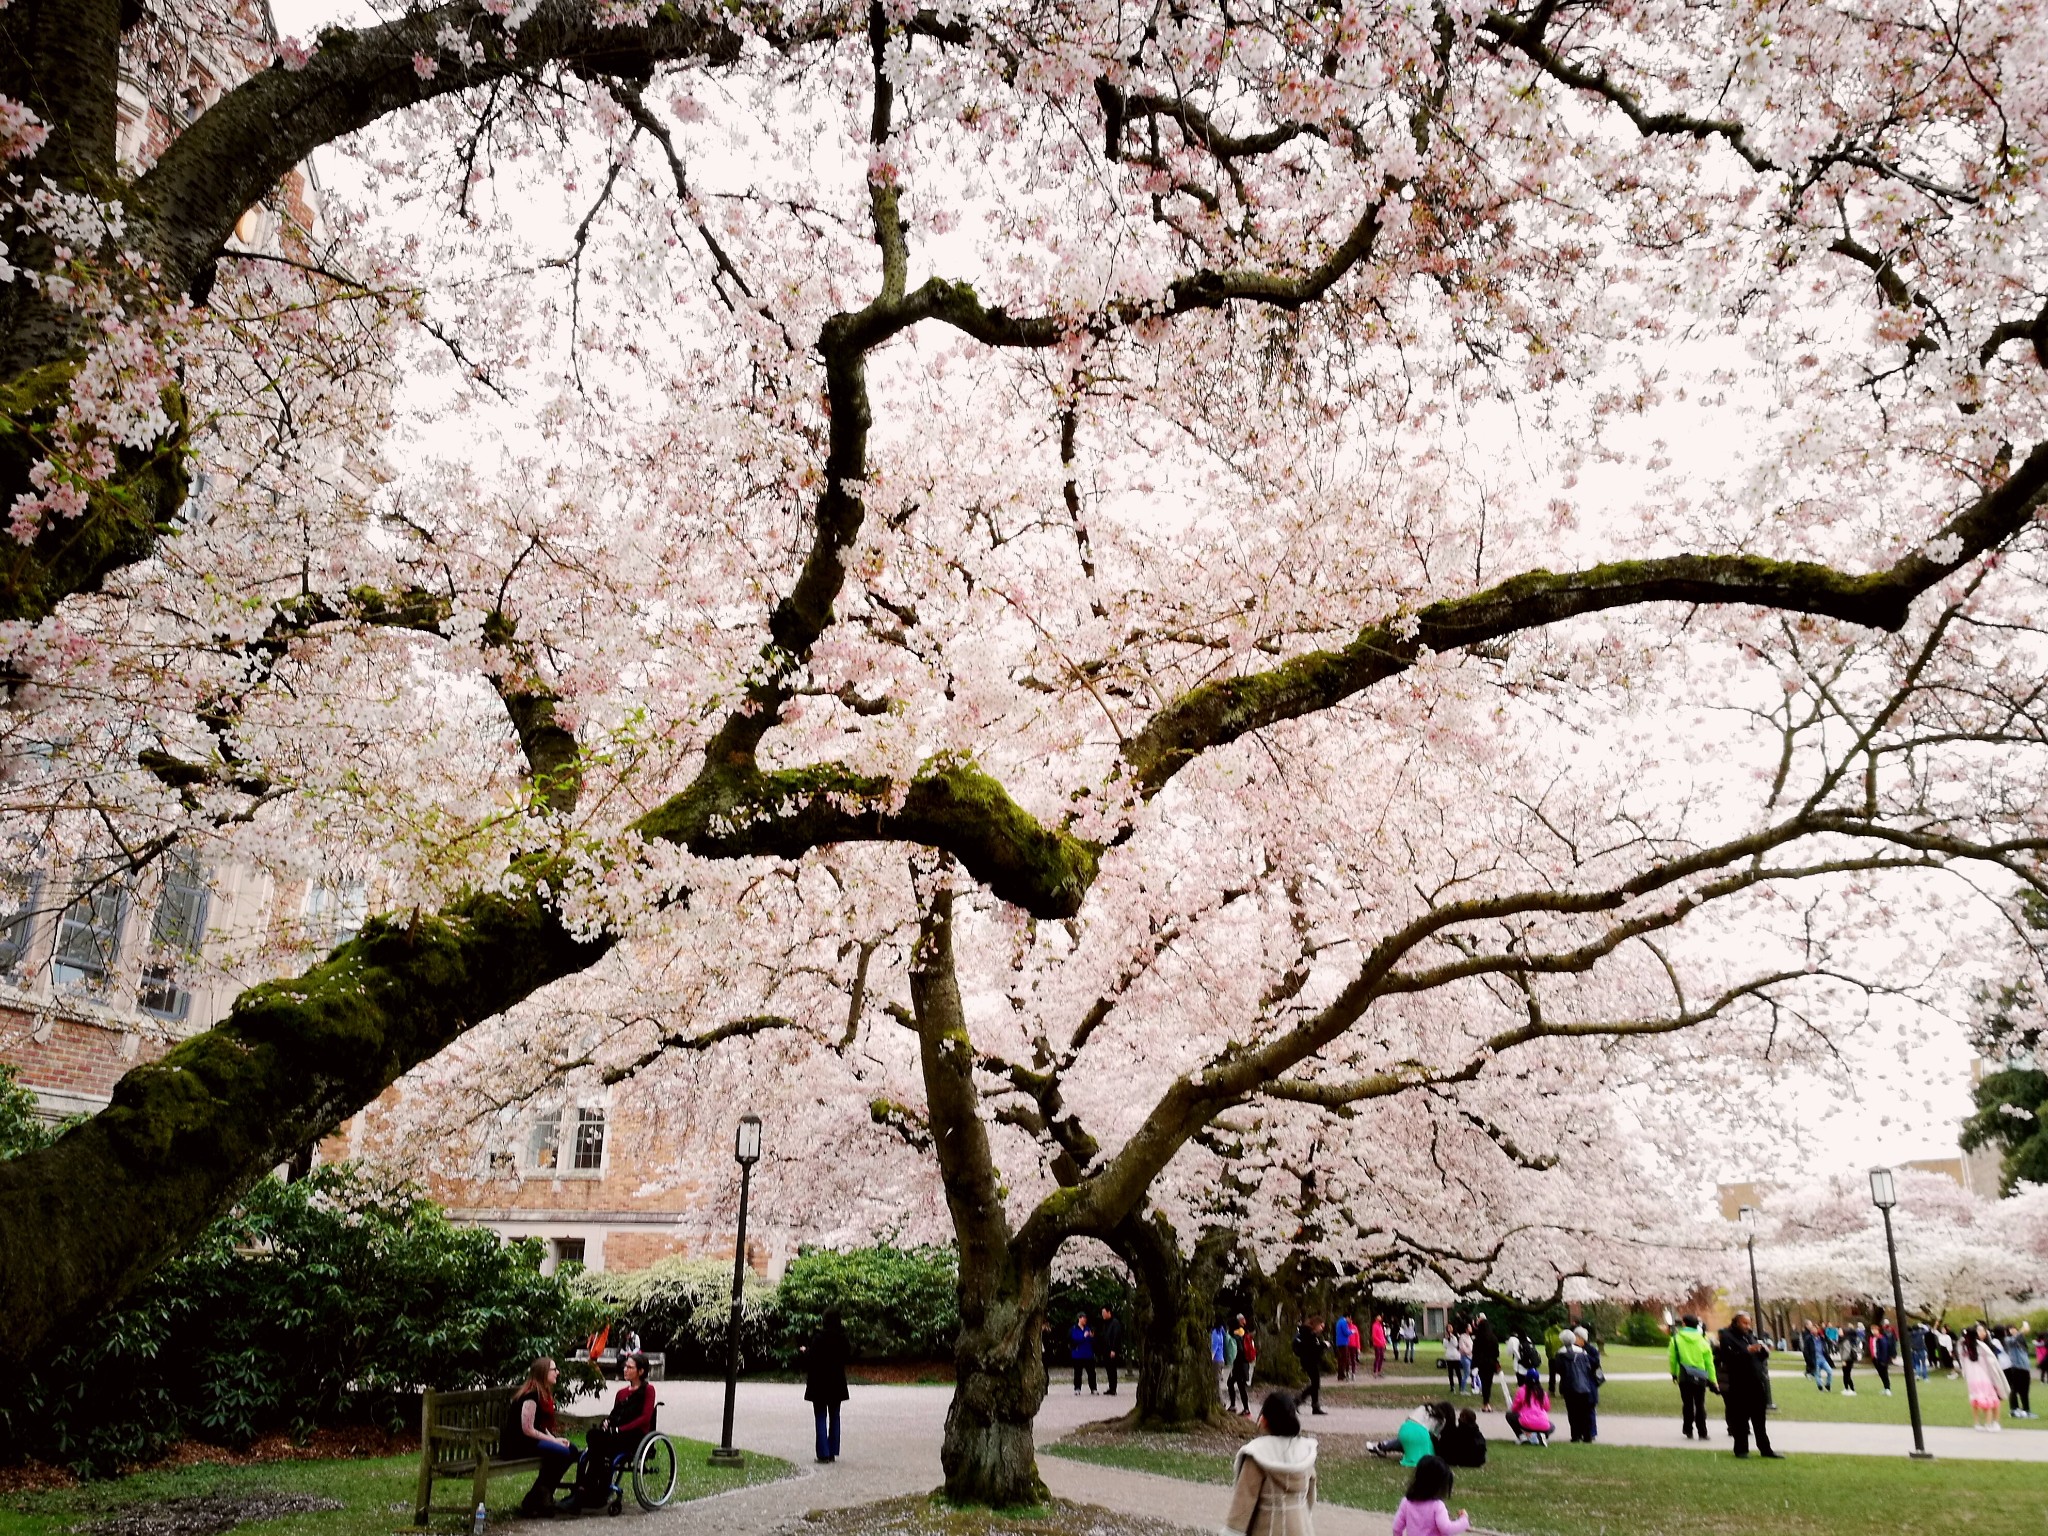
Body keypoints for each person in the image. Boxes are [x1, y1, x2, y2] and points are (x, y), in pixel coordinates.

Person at [1222, 1390, 1318, 1536]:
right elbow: (1310, 1496)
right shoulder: (1305, 1452)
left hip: (1267, 1528)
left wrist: (1233, 1531)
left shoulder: (1257, 1454)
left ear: (1264, 1420)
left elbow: (1244, 1501)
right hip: (1301, 1527)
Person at [573, 1350, 659, 1504]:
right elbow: (614, 1415)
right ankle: (590, 1490)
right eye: (625, 1367)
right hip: (616, 1434)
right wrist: (607, 1422)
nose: (625, 1370)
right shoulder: (621, 1393)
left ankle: (588, 1489)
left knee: (597, 1444)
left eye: (630, 1367)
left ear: (641, 1371)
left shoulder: (648, 1390)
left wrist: (621, 1429)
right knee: (594, 1437)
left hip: (634, 1435)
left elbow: (645, 1418)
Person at [507, 1356, 578, 1518]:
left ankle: (538, 1497)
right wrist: (553, 1441)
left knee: (571, 1450)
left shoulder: (543, 1393)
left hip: (532, 1440)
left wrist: (555, 1439)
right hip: (519, 1444)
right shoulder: (531, 1396)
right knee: (562, 1452)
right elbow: (528, 1430)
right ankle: (538, 1499)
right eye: (554, 1369)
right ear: (543, 1372)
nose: (557, 1373)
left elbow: (541, 1426)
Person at [1715, 1313, 1782, 1459]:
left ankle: (1765, 1449)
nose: (1747, 1326)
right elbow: (1729, 1358)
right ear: (1736, 1322)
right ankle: (1741, 1449)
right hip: (1739, 1384)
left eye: (1749, 1323)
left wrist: (1763, 1351)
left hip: (1756, 1383)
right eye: (1744, 1323)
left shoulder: (1749, 1336)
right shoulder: (1727, 1336)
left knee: (1759, 1419)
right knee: (1740, 1419)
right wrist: (1747, 1350)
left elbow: (1757, 1357)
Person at [801, 1309, 851, 1463]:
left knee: (820, 1416)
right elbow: (847, 1356)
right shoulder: (842, 1338)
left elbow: (811, 1358)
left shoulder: (818, 1338)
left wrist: (804, 1352)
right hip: (836, 1382)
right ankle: (832, 1450)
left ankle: (823, 1452)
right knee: (835, 1416)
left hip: (820, 1382)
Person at [1389, 1455, 1468, 1536]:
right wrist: (1464, 1520)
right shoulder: (1437, 1506)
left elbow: (1396, 1528)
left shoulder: (1406, 1502)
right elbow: (1446, 1529)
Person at [1668, 1313, 1717, 1441]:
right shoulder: (1703, 1340)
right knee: (1700, 1404)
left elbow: (1672, 1359)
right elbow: (1709, 1362)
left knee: (1687, 1403)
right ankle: (1702, 1432)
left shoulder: (1676, 1339)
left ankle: (1688, 1429)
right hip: (1700, 1375)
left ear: (1684, 1324)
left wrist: (1674, 1373)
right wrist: (1713, 1379)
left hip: (1684, 1375)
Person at [1554, 1328, 1600, 1444]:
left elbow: (1558, 1369)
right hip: (1584, 1385)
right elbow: (1588, 1367)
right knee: (1584, 1411)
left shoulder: (1560, 1353)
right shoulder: (1582, 1353)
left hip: (1569, 1386)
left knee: (1572, 1412)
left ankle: (1575, 1435)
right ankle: (1587, 1435)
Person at [1371, 1402, 1453, 1466]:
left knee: (1404, 1441)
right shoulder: (1441, 1421)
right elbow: (1434, 1436)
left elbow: (1408, 1418)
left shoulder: (1424, 1408)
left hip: (1405, 1428)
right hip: (1421, 1433)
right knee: (1419, 1443)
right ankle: (1383, 1446)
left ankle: (1382, 1446)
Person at [1959, 1324, 2004, 1431]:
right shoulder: (1980, 1346)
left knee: (1978, 1400)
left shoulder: (1964, 1346)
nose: (1982, 1332)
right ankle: (1990, 1423)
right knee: (1990, 1400)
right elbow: (1991, 1361)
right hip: (1985, 1376)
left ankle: (1981, 1423)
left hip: (1973, 1378)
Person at [1293, 1315, 1329, 1416]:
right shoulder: (1307, 1333)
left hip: (1311, 1360)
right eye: (1321, 1326)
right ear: (1316, 1325)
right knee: (1315, 1384)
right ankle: (1298, 1400)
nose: (1322, 1329)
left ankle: (1315, 1406)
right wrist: (1323, 1345)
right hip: (1308, 1361)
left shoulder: (1311, 1333)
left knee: (1315, 1383)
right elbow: (1311, 1348)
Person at [1505, 1377, 1552, 1446]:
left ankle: (1522, 1436)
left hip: (1527, 1421)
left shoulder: (1522, 1390)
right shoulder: (1543, 1393)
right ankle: (1539, 1436)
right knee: (1551, 1426)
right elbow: (1547, 1408)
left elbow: (1514, 1408)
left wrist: (1520, 1409)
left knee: (1509, 1415)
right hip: (1542, 1424)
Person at [1999, 1326, 2033, 1418]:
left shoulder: (2020, 1342)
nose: (2013, 1330)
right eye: (2011, 1329)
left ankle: (2026, 1409)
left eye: (2015, 1328)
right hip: (2016, 1368)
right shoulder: (2008, 1340)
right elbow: (2013, 1340)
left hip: (2025, 1368)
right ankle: (2014, 1409)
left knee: (2025, 1391)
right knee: (2014, 1389)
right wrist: (2021, 1331)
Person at [1228, 1314, 1256, 1415]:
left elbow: (1240, 1349)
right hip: (1244, 1364)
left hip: (1240, 1364)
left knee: (1237, 1385)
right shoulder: (1243, 1332)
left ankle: (1242, 1408)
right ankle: (1240, 1407)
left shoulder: (1237, 1334)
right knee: (1236, 1385)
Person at [1471, 1315, 1498, 1411]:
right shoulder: (1493, 1338)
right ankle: (1487, 1403)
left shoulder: (1478, 1339)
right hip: (1491, 1363)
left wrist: (1473, 1365)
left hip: (1481, 1364)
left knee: (1483, 1383)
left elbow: (1475, 1353)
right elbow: (1496, 1353)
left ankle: (1485, 1403)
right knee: (1488, 1383)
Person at [1098, 1305, 1124, 1397]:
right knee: (1108, 1369)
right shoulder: (1105, 1323)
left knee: (1112, 1369)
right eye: (1102, 1313)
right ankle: (1111, 1387)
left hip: (1112, 1350)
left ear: (1109, 1312)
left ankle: (1113, 1388)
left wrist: (1114, 1349)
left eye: (1104, 1313)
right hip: (1105, 1350)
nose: (1103, 1315)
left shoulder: (1115, 1323)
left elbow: (1116, 1336)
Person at [1069, 1312, 1097, 1395]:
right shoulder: (1074, 1329)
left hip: (1088, 1354)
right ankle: (1077, 1388)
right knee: (1078, 1372)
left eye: (1086, 1319)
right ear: (1079, 1318)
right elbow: (1074, 1340)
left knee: (1091, 1372)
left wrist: (1092, 1337)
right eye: (1083, 1318)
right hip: (1078, 1354)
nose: (1085, 1320)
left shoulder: (1088, 1328)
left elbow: (1093, 1342)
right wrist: (1083, 1336)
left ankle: (1093, 1388)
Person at [1872, 1322, 1896, 1396]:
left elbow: (1884, 1350)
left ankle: (1888, 1388)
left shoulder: (1881, 1338)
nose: (1873, 1331)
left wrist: (1883, 1360)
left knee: (1884, 1374)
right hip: (1876, 1359)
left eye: (1874, 1330)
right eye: (1872, 1330)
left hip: (1882, 1360)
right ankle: (1885, 1388)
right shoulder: (1873, 1338)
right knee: (1881, 1374)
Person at [1333, 1315, 1357, 1382]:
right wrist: (1352, 1331)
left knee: (1340, 1359)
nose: (1350, 1321)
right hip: (1343, 1343)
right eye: (1350, 1319)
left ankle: (1340, 1375)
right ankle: (1342, 1375)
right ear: (1347, 1317)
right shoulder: (1343, 1322)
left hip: (1339, 1342)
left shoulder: (1339, 1322)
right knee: (1345, 1359)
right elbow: (1346, 1332)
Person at [1214, 1322, 1233, 1406]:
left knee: (1216, 1382)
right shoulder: (1222, 1333)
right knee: (1218, 1381)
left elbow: (1214, 1348)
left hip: (1216, 1360)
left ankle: (1221, 1402)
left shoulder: (1215, 1333)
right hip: (1221, 1359)